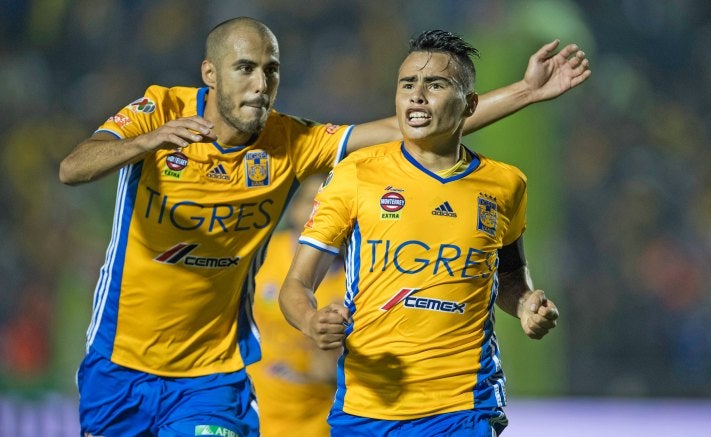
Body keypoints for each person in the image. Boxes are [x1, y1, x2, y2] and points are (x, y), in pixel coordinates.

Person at [59, 16, 588, 436]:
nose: (261, 84)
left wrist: (526, 91)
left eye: (272, 70)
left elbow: (407, 127)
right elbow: (72, 167)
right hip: (120, 360)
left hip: (213, 371)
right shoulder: (159, 111)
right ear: (210, 73)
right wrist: (143, 144)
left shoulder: (290, 141)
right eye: (245, 68)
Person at [278, 29, 560, 437]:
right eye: (407, 84)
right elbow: (296, 285)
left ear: (470, 105)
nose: (417, 95)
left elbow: (512, 277)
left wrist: (526, 305)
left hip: (464, 405)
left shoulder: (505, 184)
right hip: (367, 404)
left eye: (436, 84)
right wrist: (310, 320)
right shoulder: (356, 174)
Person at [247, 175, 344, 437]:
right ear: (294, 208)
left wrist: (327, 347)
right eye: (313, 205)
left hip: (313, 419)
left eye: (335, 208)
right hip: (250, 406)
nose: (323, 218)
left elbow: (331, 373)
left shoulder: (356, 282)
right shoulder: (260, 257)